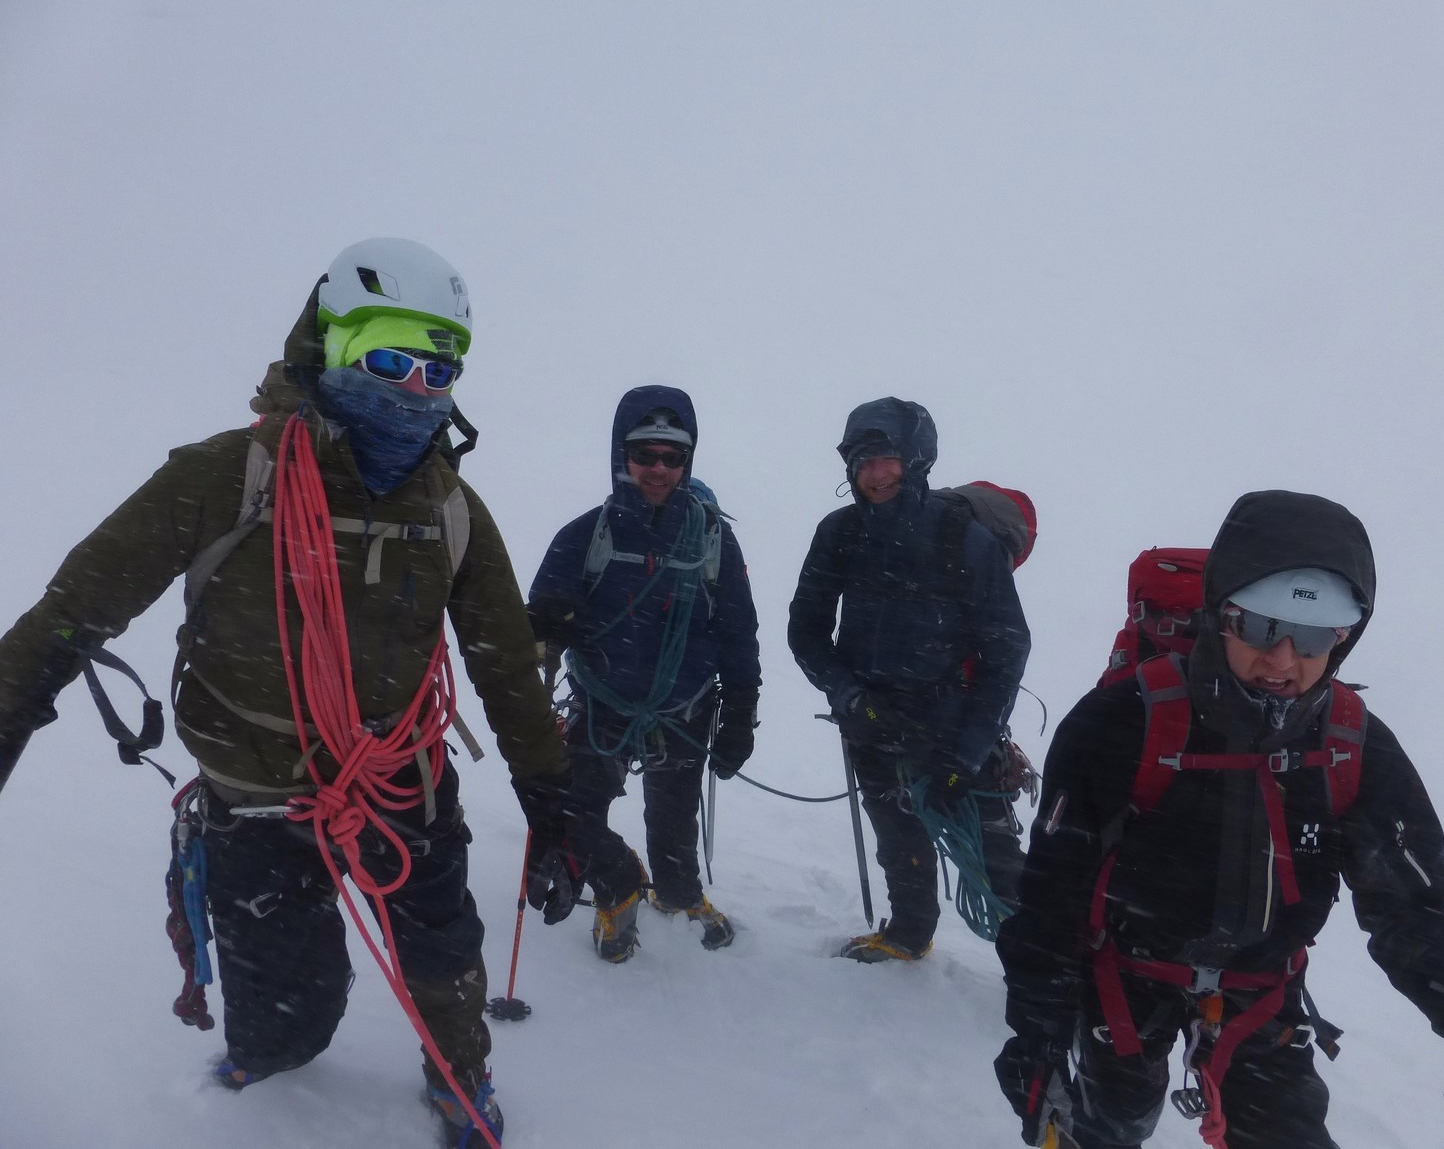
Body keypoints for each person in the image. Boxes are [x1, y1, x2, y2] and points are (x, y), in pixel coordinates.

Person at [0, 238, 579, 1148]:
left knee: (443, 951)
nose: (417, 389)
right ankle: (270, 1056)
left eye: (440, 367)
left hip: (401, 780)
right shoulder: (229, 475)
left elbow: (505, 664)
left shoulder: (452, 509)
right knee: (283, 1004)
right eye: (389, 359)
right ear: (328, 345)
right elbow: (76, 610)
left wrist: (555, 803)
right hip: (260, 788)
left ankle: (459, 1078)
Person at [995, 490, 1444, 1149]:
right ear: (1219, 615)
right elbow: (1052, 897)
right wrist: (1037, 1037)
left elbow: (1407, 908)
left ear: (1347, 636)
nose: (1284, 661)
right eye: (1259, 627)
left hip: (1261, 994)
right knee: (1111, 1124)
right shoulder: (1119, 723)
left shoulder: (1351, 745)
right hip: (1123, 977)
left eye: (1314, 635)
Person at [788, 397, 1031, 962]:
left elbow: (1007, 649)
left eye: (888, 459)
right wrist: (849, 695)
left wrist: (966, 753)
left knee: (994, 858)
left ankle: (1046, 974)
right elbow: (806, 631)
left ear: (917, 460)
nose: (875, 475)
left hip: (953, 725)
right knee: (899, 842)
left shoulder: (964, 540)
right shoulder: (840, 533)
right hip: (870, 722)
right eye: (863, 461)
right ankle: (908, 934)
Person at [527, 386, 760, 964]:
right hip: (601, 703)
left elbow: (737, 630)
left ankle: (680, 894)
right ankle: (618, 886)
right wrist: (549, 628)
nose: (658, 468)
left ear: (688, 461)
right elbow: (535, 624)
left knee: (676, 809)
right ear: (620, 453)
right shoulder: (586, 534)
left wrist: (740, 715)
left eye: (672, 457)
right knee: (580, 811)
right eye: (644, 454)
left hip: (685, 706)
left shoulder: (711, 538)